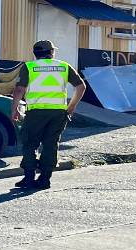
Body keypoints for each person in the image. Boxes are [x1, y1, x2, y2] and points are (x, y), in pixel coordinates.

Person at [10, 41, 86, 190]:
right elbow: (81, 86)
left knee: (30, 143)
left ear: (35, 53)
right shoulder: (63, 66)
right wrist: (71, 107)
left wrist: (14, 109)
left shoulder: (30, 67)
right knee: (50, 144)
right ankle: (45, 179)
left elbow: (19, 90)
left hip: (36, 112)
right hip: (58, 112)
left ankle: (29, 178)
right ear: (51, 52)